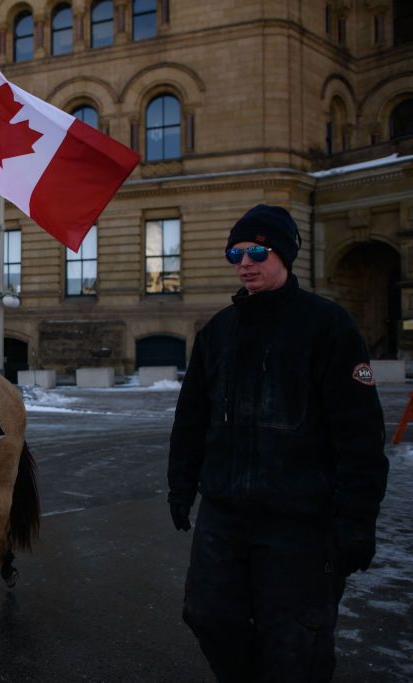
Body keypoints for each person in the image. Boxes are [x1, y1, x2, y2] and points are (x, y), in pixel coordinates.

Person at [167, 204, 389, 681]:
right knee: (207, 615)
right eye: (236, 252)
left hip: (300, 520)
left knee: (296, 645)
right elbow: (192, 419)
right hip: (224, 514)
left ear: (284, 255)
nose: (245, 261)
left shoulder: (327, 326)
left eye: (257, 251)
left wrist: (356, 522)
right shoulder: (217, 332)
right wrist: (181, 486)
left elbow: (360, 435)